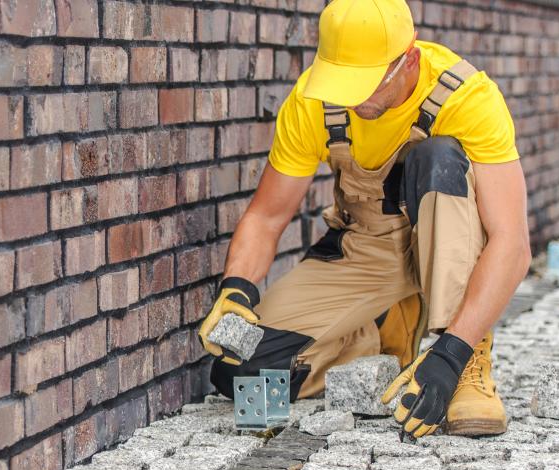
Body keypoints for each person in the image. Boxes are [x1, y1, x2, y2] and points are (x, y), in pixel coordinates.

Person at [199, 0, 532, 438]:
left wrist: (450, 355)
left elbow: (512, 242)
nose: (352, 99)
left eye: (364, 84)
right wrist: (236, 290)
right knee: (239, 370)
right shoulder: (311, 103)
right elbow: (266, 216)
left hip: (448, 242)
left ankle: (466, 361)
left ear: (408, 60)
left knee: (438, 158)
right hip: (366, 249)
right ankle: (380, 337)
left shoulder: (466, 95)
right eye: (342, 82)